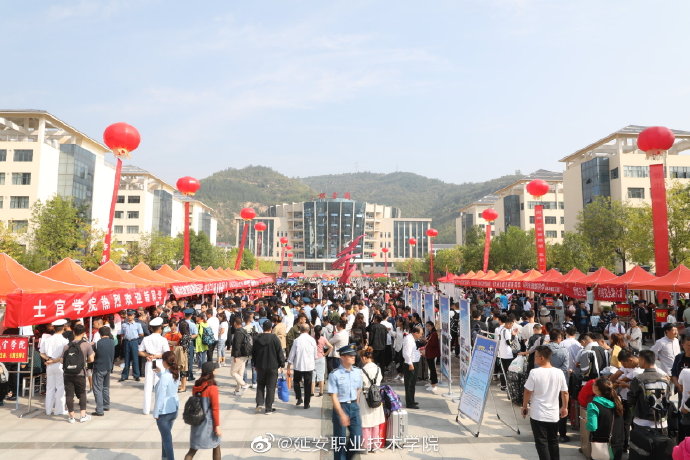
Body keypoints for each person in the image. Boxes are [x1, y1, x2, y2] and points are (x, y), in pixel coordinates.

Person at [522, 346, 569, 460]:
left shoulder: (534, 372)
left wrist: (524, 406)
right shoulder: (559, 372)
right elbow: (565, 392)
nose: (534, 358)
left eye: (535, 356)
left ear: (541, 358)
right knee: (553, 441)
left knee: (541, 443)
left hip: (538, 414)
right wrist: (564, 407)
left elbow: (527, 391)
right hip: (553, 415)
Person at [328, 345, 363, 460]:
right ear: (342, 357)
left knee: (357, 439)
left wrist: (356, 404)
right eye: (350, 355)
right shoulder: (335, 374)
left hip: (354, 406)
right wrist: (341, 414)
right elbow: (334, 396)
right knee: (340, 441)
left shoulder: (358, 372)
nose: (353, 357)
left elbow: (358, 389)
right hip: (341, 407)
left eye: (354, 355)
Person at [185, 362, 221, 460]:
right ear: (211, 372)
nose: (216, 370)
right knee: (216, 445)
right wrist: (217, 426)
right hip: (208, 423)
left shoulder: (196, 385)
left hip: (196, 421)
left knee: (192, 450)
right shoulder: (212, 388)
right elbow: (215, 409)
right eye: (214, 369)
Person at [586, 377, 625, 460]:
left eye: (593, 384)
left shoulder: (593, 405)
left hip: (601, 443)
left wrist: (587, 421)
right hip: (618, 442)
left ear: (596, 388)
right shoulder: (617, 401)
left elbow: (592, 427)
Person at [138, 317, 171, 415]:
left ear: (151, 328)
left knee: (148, 386)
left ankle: (146, 410)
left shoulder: (146, 339)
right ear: (160, 328)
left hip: (150, 362)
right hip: (159, 363)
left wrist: (148, 355)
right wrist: (156, 356)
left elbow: (140, 351)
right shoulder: (163, 339)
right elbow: (167, 353)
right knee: (160, 387)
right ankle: (158, 408)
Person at [251, 320, 285, 414]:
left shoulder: (257, 339)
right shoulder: (274, 338)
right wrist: (282, 363)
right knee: (271, 387)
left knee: (260, 385)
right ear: (271, 328)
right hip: (273, 366)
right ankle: (268, 408)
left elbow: (253, 353)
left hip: (260, 365)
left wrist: (254, 364)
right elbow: (279, 352)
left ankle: (259, 403)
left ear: (263, 328)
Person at [64, 324, 95, 423]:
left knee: (69, 395)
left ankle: (71, 417)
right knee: (82, 393)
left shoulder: (67, 346)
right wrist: (84, 362)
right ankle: (82, 416)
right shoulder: (86, 345)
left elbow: (62, 360)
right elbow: (91, 359)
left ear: (73, 332)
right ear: (83, 333)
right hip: (80, 373)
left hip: (68, 373)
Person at [39, 319, 70, 416]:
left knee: (50, 388)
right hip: (60, 365)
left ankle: (48, 410)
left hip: (49, 365)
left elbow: (41, 353)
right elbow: (65, 356)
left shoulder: (47, 340)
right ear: (63, 328)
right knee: (60, 388)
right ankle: (59, 410)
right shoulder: (65, 341)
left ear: (54, 328)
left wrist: (49, 359)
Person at [358, 346, 385, 452]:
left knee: (365, 423)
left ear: (364, 358)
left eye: (361, 358)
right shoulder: (378, 369)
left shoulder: (362, 371)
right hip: (376, 397)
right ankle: (375, 446)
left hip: (365, 398)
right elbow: (379, 380)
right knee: (375, 422)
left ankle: (366, 446)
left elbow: (359, 386)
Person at [154, 351, 180, 460]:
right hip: (174, 409)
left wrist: (156, 413)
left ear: (165, 362)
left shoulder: (166, 376)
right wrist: (160, 373)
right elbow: (169, 383)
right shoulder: (176, 373)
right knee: (165, 437)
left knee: (166, 440)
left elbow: (161, 396)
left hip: (164, 412)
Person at [287, 323, 317, 409]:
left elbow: (292, 354)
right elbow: (315, 355)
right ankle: (306, 403)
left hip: (298, 365)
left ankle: (299, 397)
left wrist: (289, 366)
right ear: (308, 330)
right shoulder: (312, 340)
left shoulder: (297, 340)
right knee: (308, 384)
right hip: (309, 366)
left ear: (300, 330)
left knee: (296, 382)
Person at [92, 326, 115, 416]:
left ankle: (99, 410)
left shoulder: (98, 343)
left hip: (99, 367)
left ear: (100, 333)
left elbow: (94, 355)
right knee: (105, 387)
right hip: (108, 367)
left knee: (97, 389)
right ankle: (106, 405)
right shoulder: (112, 342)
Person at [402, 325, 423, 409]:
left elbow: (412, 351)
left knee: (412, 383)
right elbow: (406, 353)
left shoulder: (412, 339)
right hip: (410, 363)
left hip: (414, 362)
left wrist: (419, 352)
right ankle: (409, 403)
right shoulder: (409, 340)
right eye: (420, 333)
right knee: (409, 384)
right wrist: (410, 364)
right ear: (415, 333)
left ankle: (412, 400)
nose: (421, 335)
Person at [119, 310, 144, 382]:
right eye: (128, 315)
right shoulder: (124, 325)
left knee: (135, 359)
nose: (129, 317)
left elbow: (141, 334)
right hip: (127, 342)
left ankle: (136, 375)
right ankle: (124, 375)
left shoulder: (138, 325)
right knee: (126, 359)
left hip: (134, 341)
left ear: (133, 316)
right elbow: (122, 334)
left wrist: (135, 336)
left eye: (131, 315)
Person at [230, 315, 251, 394]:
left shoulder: (238, 332)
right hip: (244, 354)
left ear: (235, 323)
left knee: (233, 372)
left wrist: (235, 356)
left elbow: (237, 345)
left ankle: (244, 384)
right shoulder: (243, 330)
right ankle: (237, 390)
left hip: (239, 355)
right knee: (240, 373)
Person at [313, 325, 333, 397]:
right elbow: (331, 347)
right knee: (321, 376)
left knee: (313, 376)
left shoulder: (312, 338)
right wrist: (325, 354)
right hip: (321, 358)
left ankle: (312, 392)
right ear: (321, 331)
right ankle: (321, 392)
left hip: (313, 358)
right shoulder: (323, 339)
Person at [423, 321, 440, 393]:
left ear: (432, 326)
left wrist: (426, 341)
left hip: (432, 354)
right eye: (427, 326)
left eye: (429, 326)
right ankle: (432, 382)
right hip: (429, 353)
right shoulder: (431, 333)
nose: (427, 327)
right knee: (431, 368)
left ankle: (434, 384)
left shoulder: (434, 334)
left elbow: (433, 344)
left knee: (432, 369)